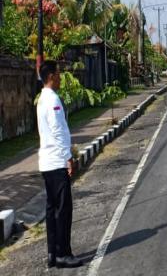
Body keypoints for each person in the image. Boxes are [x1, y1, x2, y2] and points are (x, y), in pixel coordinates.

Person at [37, 60, 82, 269]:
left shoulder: (42, 99)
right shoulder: (53, 99)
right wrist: (68, 157)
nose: (61, 76)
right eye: (59, 73)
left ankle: (52, 252)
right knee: (63, 210)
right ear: (51, 76)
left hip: (47, 163)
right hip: (56, 161)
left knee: (51, 209)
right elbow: (57, 131)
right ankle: (63, 253)